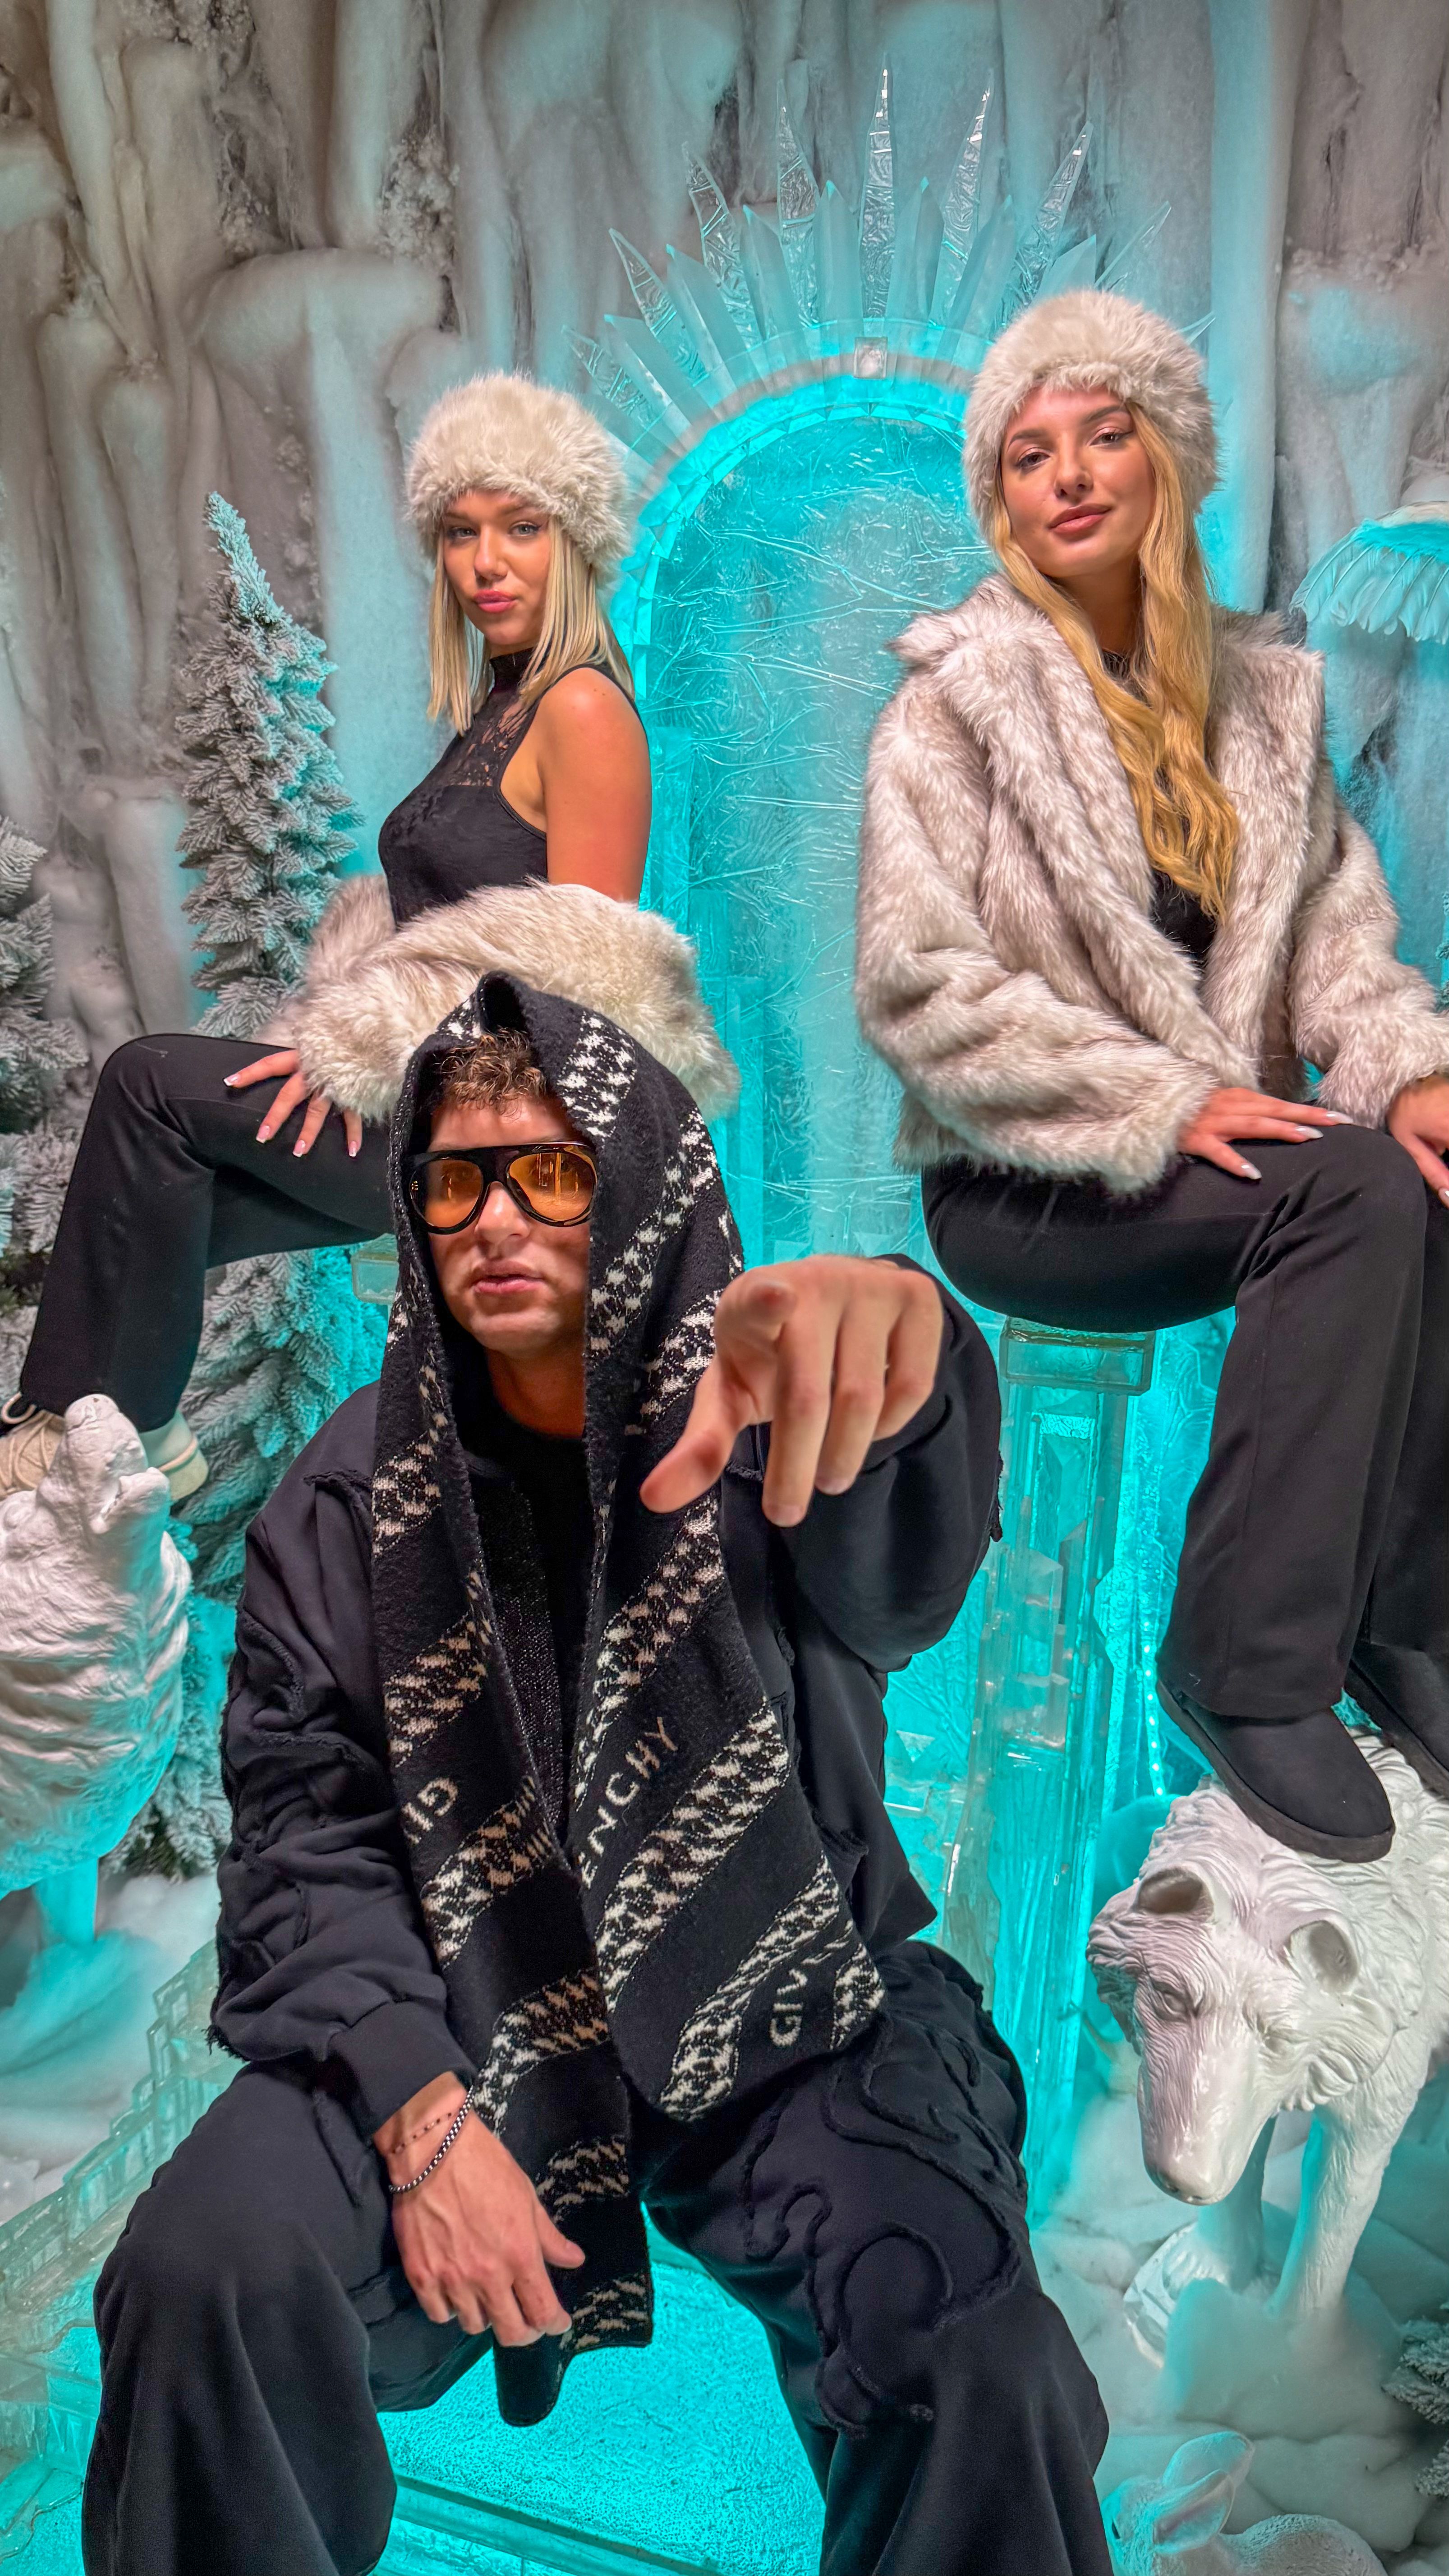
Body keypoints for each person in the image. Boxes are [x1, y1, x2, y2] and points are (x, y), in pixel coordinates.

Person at [82, 926, 1112, 2576]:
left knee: (972, 2345)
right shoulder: (344, 1502)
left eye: (548, 1174)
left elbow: (900, 1571)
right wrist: (420, 2120)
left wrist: (912, 1358)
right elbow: (309, 1837)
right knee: (205, 2266)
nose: (494, 1220)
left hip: (785, 2000)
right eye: (455, 1183)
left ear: (632, 1179)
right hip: (456, 2006)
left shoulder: (762, 1421)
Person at [855, 285, 1449, 1868]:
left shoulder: (1262, 706)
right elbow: (918, 990)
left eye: (1102, 435)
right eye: (1027, 454)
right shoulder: (949, 709)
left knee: (1422, 1167)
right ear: (1001, 502)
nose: (1066, 474)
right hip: (1027, 1179)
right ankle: (1241, 1665)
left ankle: (1402, 1625)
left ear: (1165, 459)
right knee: (1352, 1188)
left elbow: (1334, 944)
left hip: (1225, 1166)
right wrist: (1153, 1102)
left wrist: (1404, 1070)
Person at [0, 372, 651, 1504]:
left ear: (578, 542)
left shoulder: (581, 709)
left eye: (521, 527)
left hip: (485, 1135)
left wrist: (373, 1057)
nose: (485, 562)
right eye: (459, 533)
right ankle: (120, 1448)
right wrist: (352, 1043)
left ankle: (76, 1432)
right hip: (421, 1100)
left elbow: (587, 993)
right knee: (167, 1202)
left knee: (149, 1083)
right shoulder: (496, 713)